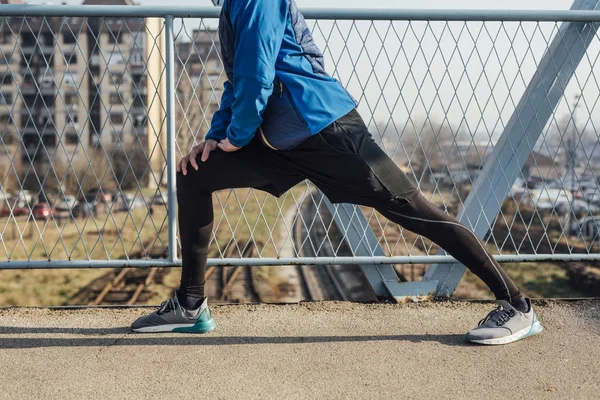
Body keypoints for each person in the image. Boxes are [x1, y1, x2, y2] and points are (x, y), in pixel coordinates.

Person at [131, 0, 543, 345]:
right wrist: (215, 138)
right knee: (194, 173)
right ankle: (190, 304)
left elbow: (258, 73)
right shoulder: (234, 5)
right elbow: (238, 82)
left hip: (327, 130)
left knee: (411, 209)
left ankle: (518, 306)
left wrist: (236, 138)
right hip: (279, 141)